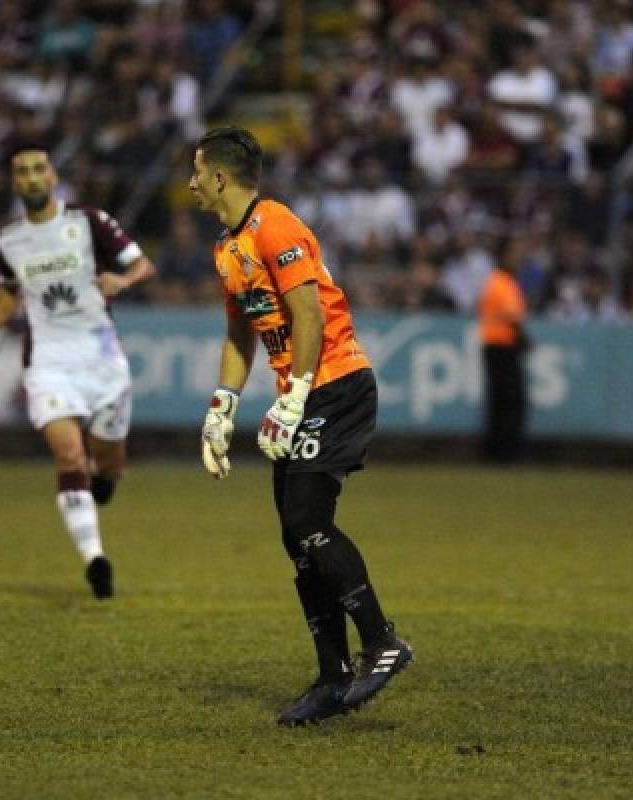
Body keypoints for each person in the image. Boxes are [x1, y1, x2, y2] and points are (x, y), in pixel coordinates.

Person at [188, 127, 412, 727]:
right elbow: (242, 335)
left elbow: (309, 316)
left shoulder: (276, 224)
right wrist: (221, 409)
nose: (189, 184)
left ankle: (383, 642)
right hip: (301, 392)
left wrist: (294, 397)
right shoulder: (227, 247)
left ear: (218, 178)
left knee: (307, 521)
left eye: (195, 172)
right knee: (297, 537)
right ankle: (334, 678)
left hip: (334, 384)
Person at [0, 144, 156, 599]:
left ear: (52, 177)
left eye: (39, 169)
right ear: (16, 183)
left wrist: (122, 280)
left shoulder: (89, 222)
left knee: (107, 461)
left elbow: (142, 265)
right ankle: (95, 559)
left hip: (101, 358)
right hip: (48, 363)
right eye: (22, 172)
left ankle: (108, 478)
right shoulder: (8, 240)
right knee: (70, 457)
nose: (32, 178)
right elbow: (10, 292)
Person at [478, 237, 530, 463]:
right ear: (505, 255)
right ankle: (507, 452)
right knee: (510, 400)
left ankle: (496, 451)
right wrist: (524, 338)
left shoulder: (496, 281)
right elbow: (512, 317)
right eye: (515, 253)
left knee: (499, 401)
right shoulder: (503, 282)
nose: (519, 258)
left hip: (494, 345)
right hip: (502, 346)